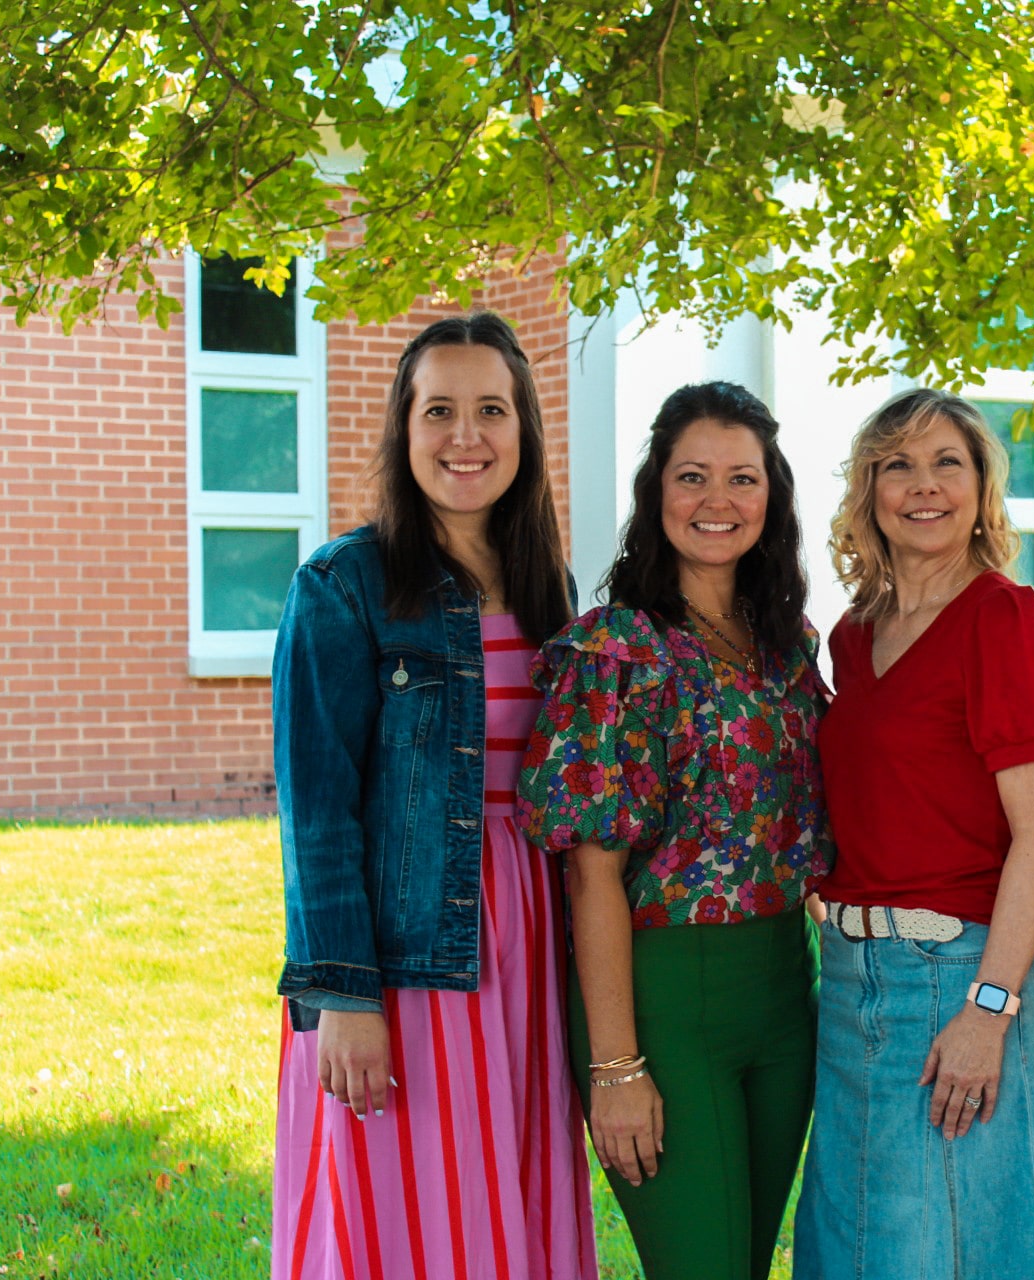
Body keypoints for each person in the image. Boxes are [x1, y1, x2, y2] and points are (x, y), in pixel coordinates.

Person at [271, 312, 596, 1280]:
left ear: (524, 431)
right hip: (405, 951)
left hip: (527, 946)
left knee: (510, 1197)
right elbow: (318, 809)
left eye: (491, 409)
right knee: (404, 1213)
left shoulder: (548, 587)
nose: (467, 436)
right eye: (439, 411)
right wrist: (344, 995)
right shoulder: (342, 585)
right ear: (403, 430)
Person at [518, 382, 830, 1280]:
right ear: (657, 492)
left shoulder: (788, 645)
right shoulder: (617, 650)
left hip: (784, 997)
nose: (718, 501)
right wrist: (616, 1065)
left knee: (745, 1263)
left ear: (773, 498)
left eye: (743, 479)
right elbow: (591, 876)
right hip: (664, 1001)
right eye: (693, 477)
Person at [792, 389, 1034, 1280]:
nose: (924, 486)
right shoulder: (853, 632)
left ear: (982, 487)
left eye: (947, 463)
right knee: (859, 1248)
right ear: (868, 488)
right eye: (898, 465)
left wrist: (989, 1011)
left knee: (985, 1249)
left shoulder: (1007, 619)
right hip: (851, 985)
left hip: (964, 975)